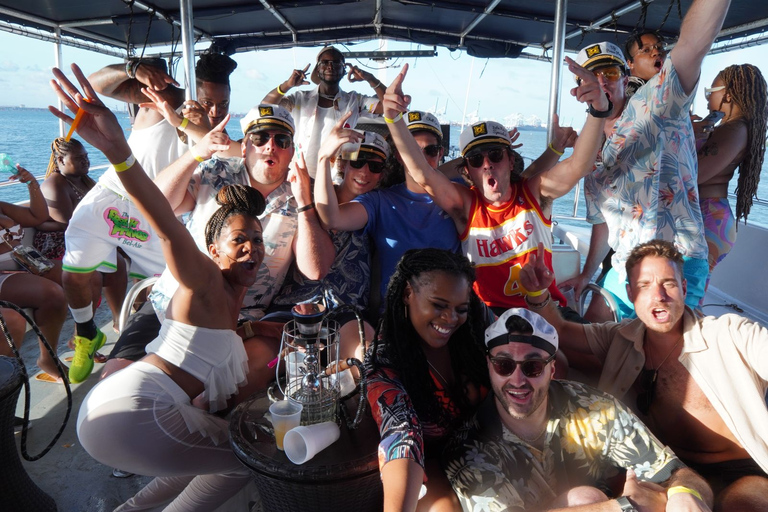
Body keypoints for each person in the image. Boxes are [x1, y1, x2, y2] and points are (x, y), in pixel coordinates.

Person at [51, 62, 265, 511]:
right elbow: (165, 226)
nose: (251, 250)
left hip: (119, 407)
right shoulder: (203, 277)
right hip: (132, 410)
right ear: (213, 247)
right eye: (238, 240)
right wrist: (116, 150)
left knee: (209, 459)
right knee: (249, 460)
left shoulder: (232, 299)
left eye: (258, 240)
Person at [103, 104, 334, 399]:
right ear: (245, 146)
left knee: (210, 397)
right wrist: (195, 153)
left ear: (292, 151)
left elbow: (315, 269)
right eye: (261, 138)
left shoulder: (301, 192)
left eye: (281, 140)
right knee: (113, 386)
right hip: (170, 306)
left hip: (241, 320)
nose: (270, 146)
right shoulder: (215, 172)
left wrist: (304, 203)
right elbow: (159, 204)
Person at [519, 239, 768, 510]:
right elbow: (562, 331)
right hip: (664, 469)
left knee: (744, 504)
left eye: (669, 283)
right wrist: (538, 293)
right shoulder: (619, 337)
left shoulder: (731, 335)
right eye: (644, 285)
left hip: (741, 470)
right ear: (630, 293)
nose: (659, 295)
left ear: (684, 288)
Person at [62, 53, 238, 384]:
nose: (215, 111)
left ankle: (155, 350)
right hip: (114, 195)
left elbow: (239, 151)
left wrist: (190, 125)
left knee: (174, 287)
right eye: (207, 101)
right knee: (73, 272)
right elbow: (97, 85)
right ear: (190, 92)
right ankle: (86, 333)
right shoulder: (164, 99)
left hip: (158, 211)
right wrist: (131, 69)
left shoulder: (214, 132)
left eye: (223, 103)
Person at [381, 62, 609, 316]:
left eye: (496, 155)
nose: (487, 165)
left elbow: (579, 165)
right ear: (467, 171)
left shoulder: (535, 193)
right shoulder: (466, 206)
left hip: (544, 310)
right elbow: (423, 173)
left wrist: (598, 109)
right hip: (488, 316)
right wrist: (393, 119)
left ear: (511, 161)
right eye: (477, 160)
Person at [444, 307, 714, 511]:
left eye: (532, 366)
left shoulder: (594, 409)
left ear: (551, 369)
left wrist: (685, 495)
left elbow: (676, 472)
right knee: (587, 498)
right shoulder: (470, 448)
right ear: (489, 366)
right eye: (504, 364)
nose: (517, 380)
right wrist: (622, 506)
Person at [580, 0, 732, 320]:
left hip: (679, 263)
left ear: (625, 76)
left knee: (665, 359)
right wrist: (585, 274)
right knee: (592, 335)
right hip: (625, 266)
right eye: (591, 77)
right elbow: (600, 224)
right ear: (579, 88)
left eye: (609, 73)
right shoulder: (588, 154)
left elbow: (692, 45)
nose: (602, 83)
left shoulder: (657, 104)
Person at [366, 248, 489, 512]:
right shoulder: (386, 358)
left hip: (500, 446)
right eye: (439, 305)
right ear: (408, 294)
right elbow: (401, 434)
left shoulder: (475, 326)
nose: (451, 319)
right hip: (436, 467)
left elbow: (533, 353)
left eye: (461, 308)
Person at [314, 109, 461, 312]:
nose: (422, 159)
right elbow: (332, 218)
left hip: (449, 313)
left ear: (441, 153)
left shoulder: (459, 195)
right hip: (396, 316)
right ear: (400, 156)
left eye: (431, 151)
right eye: (413, 151)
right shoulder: (381, 202)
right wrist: (323, 158)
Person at [269, 113, 389, 354]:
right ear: (343, 165)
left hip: (347, 314)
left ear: (382, 174)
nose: (364, 172)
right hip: (294, 307)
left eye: (374, 166)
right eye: (357, 162)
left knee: (367, 357)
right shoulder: (307, 192)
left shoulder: (378, 208)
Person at [36, 137, 127, 333]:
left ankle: (120, 317)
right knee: (105, 264)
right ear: (60, 160)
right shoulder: (55, 184)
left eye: (86, 157)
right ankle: (85, 330)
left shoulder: (85, 181)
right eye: (78, 158)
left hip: (86, 237)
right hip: (61, 244)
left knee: (122, 258)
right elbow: (68, 225)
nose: (86, 161)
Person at [262, 45, 384, 178]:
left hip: (335, 178)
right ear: (318, 70)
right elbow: (265, 107)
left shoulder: (355, 101)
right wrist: (287, 85)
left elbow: (388, 106)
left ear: (344, 70)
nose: (330, 66)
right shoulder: (299, 99)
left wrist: (371, 79)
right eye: (325, 62)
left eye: (336, 62)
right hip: (298, 174)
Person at [697, 64, 767, 291]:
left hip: (709, 216)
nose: (707, 97)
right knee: (688, 289)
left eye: (711, 91)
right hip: (711, 215)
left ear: (727, 94)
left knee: (688, 292)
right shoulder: (730, 127)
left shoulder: (733, 129)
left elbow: (695, 174)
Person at [0, 165, 67, 382]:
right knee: (52, 293)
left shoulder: (2, 207)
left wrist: (31, 183)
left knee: (74, 274)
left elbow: (38, 216)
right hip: (4, 275)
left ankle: (83, 339)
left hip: (23, 264)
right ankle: (47, 359)